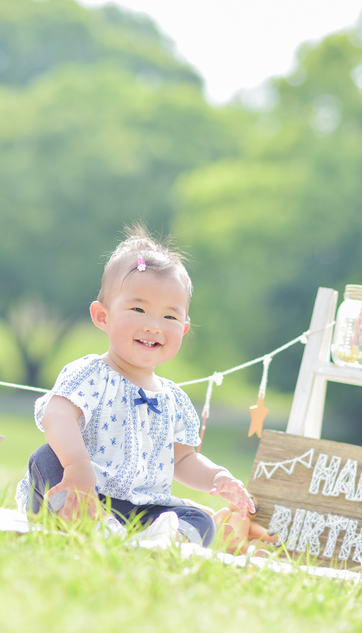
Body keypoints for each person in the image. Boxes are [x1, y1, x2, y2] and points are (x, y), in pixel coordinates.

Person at [14, 225, 255, 546]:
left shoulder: (174, 399)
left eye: (169, 317)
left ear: (183, 330)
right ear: (103, 316)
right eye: (138, 309)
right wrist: (77, 466)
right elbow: (56, 416)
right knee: (46, 459)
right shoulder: (91, 374)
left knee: (201, 520)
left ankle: (157, 538)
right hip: (80, 488)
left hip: (140, 506)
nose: (153, 326)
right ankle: (88, 522)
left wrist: (217, 476)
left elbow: (183, 460)